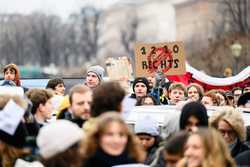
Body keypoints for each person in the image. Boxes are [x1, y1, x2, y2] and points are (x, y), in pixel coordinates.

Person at [81, 112, 145, 167]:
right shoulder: (84, 162)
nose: (116, 140)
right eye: (109, 134)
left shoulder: (135, 161)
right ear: (98, 137)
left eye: (121, 135)